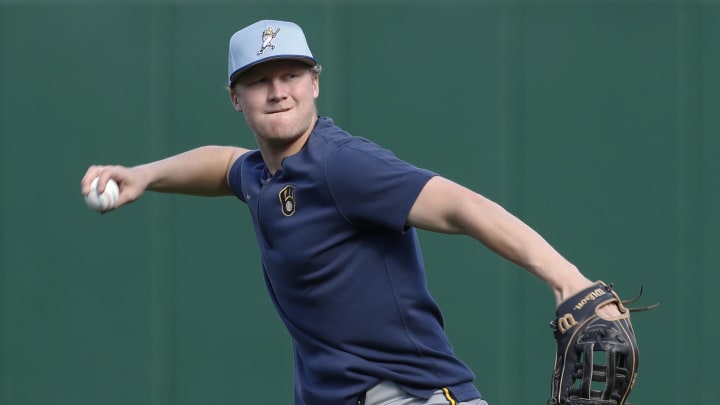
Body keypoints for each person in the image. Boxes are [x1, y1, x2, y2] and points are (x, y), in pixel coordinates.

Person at [81, 19, 621, 405]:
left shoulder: (342, 165)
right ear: (234, 98)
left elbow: (463, 206)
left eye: (290, 75)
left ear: (315, 81)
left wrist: (568, 279)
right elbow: (221, 165)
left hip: (408, 395)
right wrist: (145, 175)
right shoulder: (262, 174)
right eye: (259, 80)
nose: (277, 92)